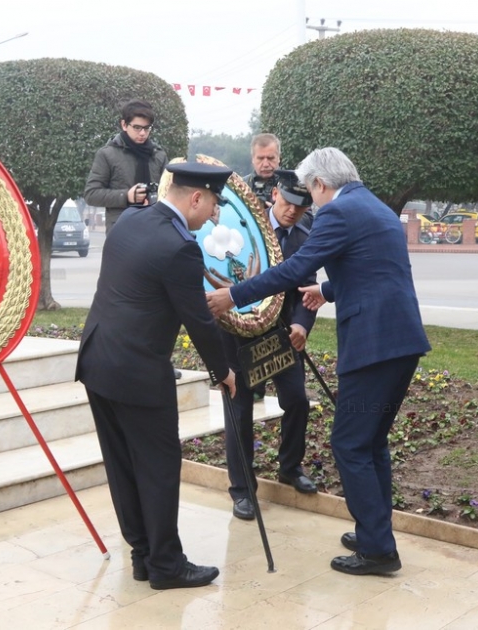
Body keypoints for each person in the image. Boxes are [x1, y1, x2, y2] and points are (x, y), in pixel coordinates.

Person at [207, 147, 431, 576]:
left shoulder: (337, 212)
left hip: (374, 348)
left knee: (350, 443)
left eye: (311, 192)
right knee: (371, 443)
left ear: (321, 185)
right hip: (400, 342)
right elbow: (374, 269)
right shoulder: (375, 207)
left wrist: (232, 294)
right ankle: (374, 530)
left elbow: (296, 268)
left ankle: (378, 550)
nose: (310, 203)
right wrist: (326, 292)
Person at [76, 162, 238, 589]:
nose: (213, 216)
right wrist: (223, 371)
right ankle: (167, 565)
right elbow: (199, 320)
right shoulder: (180, 247)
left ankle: (143, 556)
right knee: (159, 468)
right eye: (213, 205)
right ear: (196, 198)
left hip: (98, 362)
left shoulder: (131, 221)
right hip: (138, 373)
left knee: (124, 467)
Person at [220, 169, 319, 521]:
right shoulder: (247, 228)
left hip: (281, 336)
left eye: (302, 206)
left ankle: (290, 466)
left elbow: (308, 290)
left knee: (297, 401)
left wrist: (300, 325)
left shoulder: (307, 236)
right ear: (275, 193)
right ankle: (243, 489)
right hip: (239, 334)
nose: (293, 211)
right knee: (239, 410)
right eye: (289, 202)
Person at [84, 100, 168, 233]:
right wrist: (126, 196)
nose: (142, 133)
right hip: (121, 230)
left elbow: (169, 193)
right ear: (124, 124)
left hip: (154, 228)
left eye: (147, 128)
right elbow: (91, 194)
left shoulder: (158, 155)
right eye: (137, 127)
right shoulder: (107, 154)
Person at [244, 133, 282, 206]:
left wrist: (274, 213)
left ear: (278, 158)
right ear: (253, 159)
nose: (265, 164)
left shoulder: (290, 185)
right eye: (260, 159)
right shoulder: (242, 186)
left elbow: (306, 214)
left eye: (270, 158)